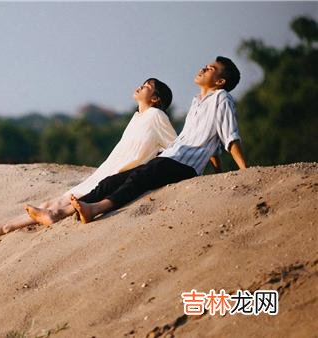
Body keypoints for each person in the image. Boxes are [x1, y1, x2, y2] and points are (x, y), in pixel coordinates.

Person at [39, 56, 247, 225]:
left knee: (139, 178)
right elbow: (212, 146)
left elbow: (229, 137)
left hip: (184, 164)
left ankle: (96, 209)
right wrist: (218, 174)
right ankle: (63, 212)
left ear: (220, 82)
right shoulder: (197, 102)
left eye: (210, 68)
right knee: (111, 181)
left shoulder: (222, 98)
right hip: (171, 157)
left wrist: (245, 172)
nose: (203, 69)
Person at [0, 77, 177, 236]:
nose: (141, 86)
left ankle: (3, 228)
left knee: (61, 203)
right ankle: (4, 227)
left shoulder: (157, 116)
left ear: (155, 98)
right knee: (55, 201)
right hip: (106, 170)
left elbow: (175, 147)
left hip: (117, 176)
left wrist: (150, 164)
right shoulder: (137, 117)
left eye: (148, 86)